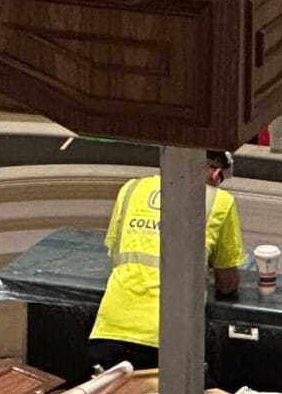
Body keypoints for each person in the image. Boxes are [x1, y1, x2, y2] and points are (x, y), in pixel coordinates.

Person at [86, 151, 244, 373]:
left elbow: (115, 251)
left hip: (109, 329)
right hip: (169, 339)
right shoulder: (220, 201)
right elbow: (226, 284)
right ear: (216, 172)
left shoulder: (132, 189)